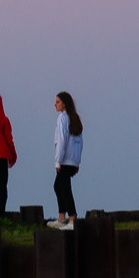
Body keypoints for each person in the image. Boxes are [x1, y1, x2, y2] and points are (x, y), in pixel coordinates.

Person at [48, 92, 83, 230]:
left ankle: (72, 219)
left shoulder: (62, 118)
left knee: (64, 188)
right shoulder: (74, 118)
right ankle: (62, 217)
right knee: (58, 186)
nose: (55, 104)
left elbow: (61, 141)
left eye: (57, 101)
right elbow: (80, 143)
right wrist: (77, 162)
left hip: (64, 160)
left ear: (64, 103)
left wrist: (58, 161)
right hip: (72, 161)